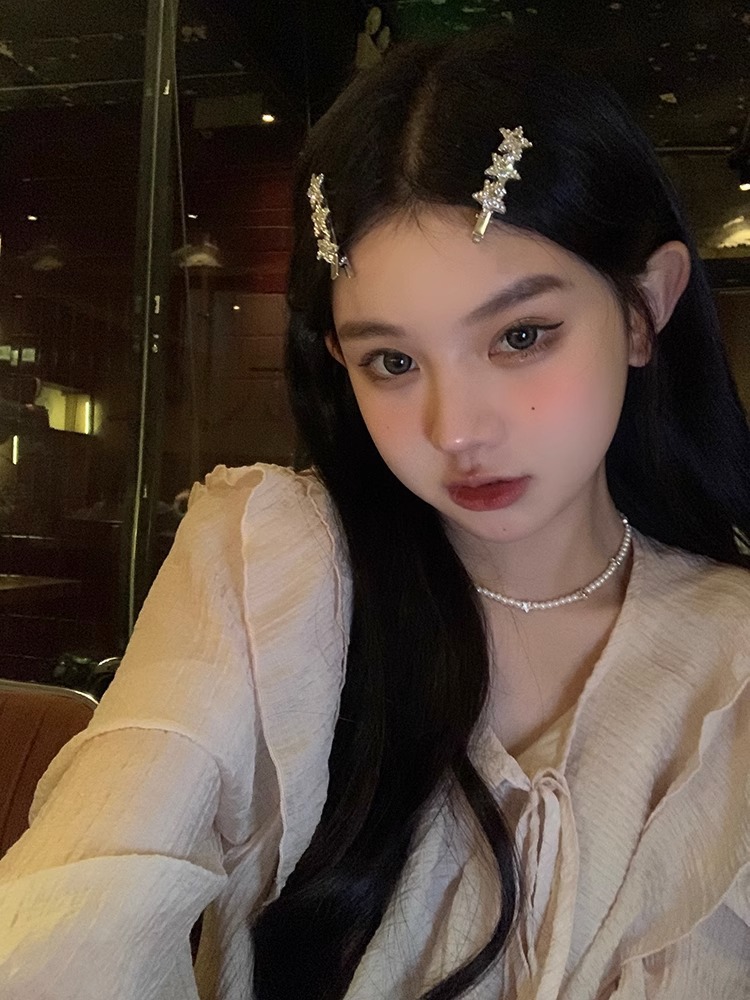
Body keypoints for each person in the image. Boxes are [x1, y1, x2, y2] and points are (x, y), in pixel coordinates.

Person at [0, 31, 748, 1000]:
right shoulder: (273, 567)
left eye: (521, 335)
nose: (456, 428)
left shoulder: (733, 653)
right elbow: (83, 897)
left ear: (645, 309)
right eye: (392, 361)